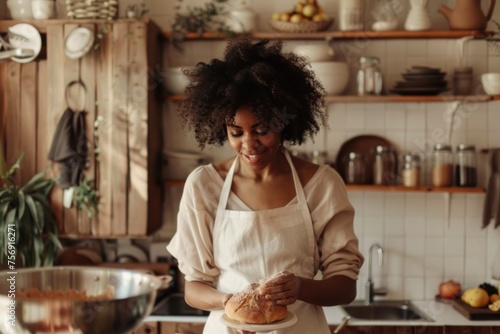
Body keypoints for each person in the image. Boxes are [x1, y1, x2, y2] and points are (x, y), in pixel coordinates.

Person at [166, 37, 364, 334]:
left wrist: (299, 288)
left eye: (262, 130)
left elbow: (345, 287)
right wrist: (230, 302)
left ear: (283, 123)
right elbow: (194, 288)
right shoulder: (204, 185)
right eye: (236, 132)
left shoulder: (321, 184)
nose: (249, 145)